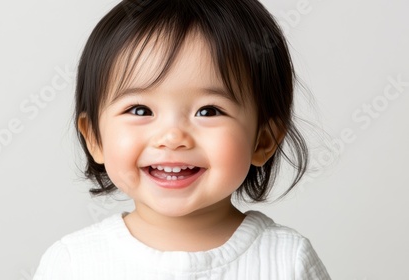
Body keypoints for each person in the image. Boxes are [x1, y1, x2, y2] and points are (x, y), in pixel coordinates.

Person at [34, 0, 331, 278]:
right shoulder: (73, 264)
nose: (172, 137)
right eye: (140, 109)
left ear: (263, 140)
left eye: (209, 111)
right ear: (94, 138)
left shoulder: (287, 262)